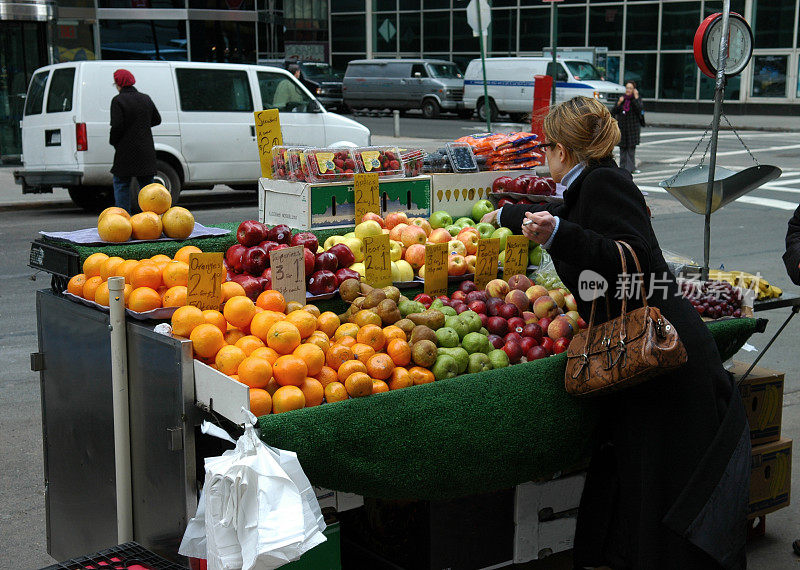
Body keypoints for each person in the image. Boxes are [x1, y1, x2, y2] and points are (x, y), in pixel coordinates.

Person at [482, 97, 749, 569]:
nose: (544, 156)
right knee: (644, 478)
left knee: (662, 481)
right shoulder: (589, 184)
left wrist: (558, 235)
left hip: (661, 354)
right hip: (642, 352)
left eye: (546, 147)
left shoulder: (606, 182)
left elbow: (637, 257)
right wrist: (507, 216)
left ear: (562, 150)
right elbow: (566, 213)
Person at [109, 69, 161, 212]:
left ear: (119, 84)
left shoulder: (118, 100)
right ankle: (150, 221)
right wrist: (141, 125)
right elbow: (157, 119)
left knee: (121, 185)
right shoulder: (146, 98)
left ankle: (123, 220)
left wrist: (114, 141)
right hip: (145, 151)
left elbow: (117, 126)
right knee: (148, 190)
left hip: (125, 152)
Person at [613, 80, 643, 174]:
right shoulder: (622, 99)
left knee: (631, 149)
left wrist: (636, 98)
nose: (628, 90)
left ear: (634, 89)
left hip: (632, 128)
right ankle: (622, 167)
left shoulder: (636, 99)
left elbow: (639, 110)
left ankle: (631, 168)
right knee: (622, 148)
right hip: (623, 127)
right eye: (627, 88)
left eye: (630, 88)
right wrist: (619, 103)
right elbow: (614, 111)